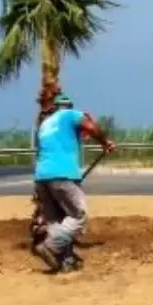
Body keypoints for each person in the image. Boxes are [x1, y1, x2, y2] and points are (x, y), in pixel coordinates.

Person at [31, 92, 116, 274]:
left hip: (42, 177)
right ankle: (50, 246)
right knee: (79, 215)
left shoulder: (45, 124)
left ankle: (65, 263)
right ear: (69, 106)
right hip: (61, 174)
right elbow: (90, 127)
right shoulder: (70, 114)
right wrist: (105, 141)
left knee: (57, 220)